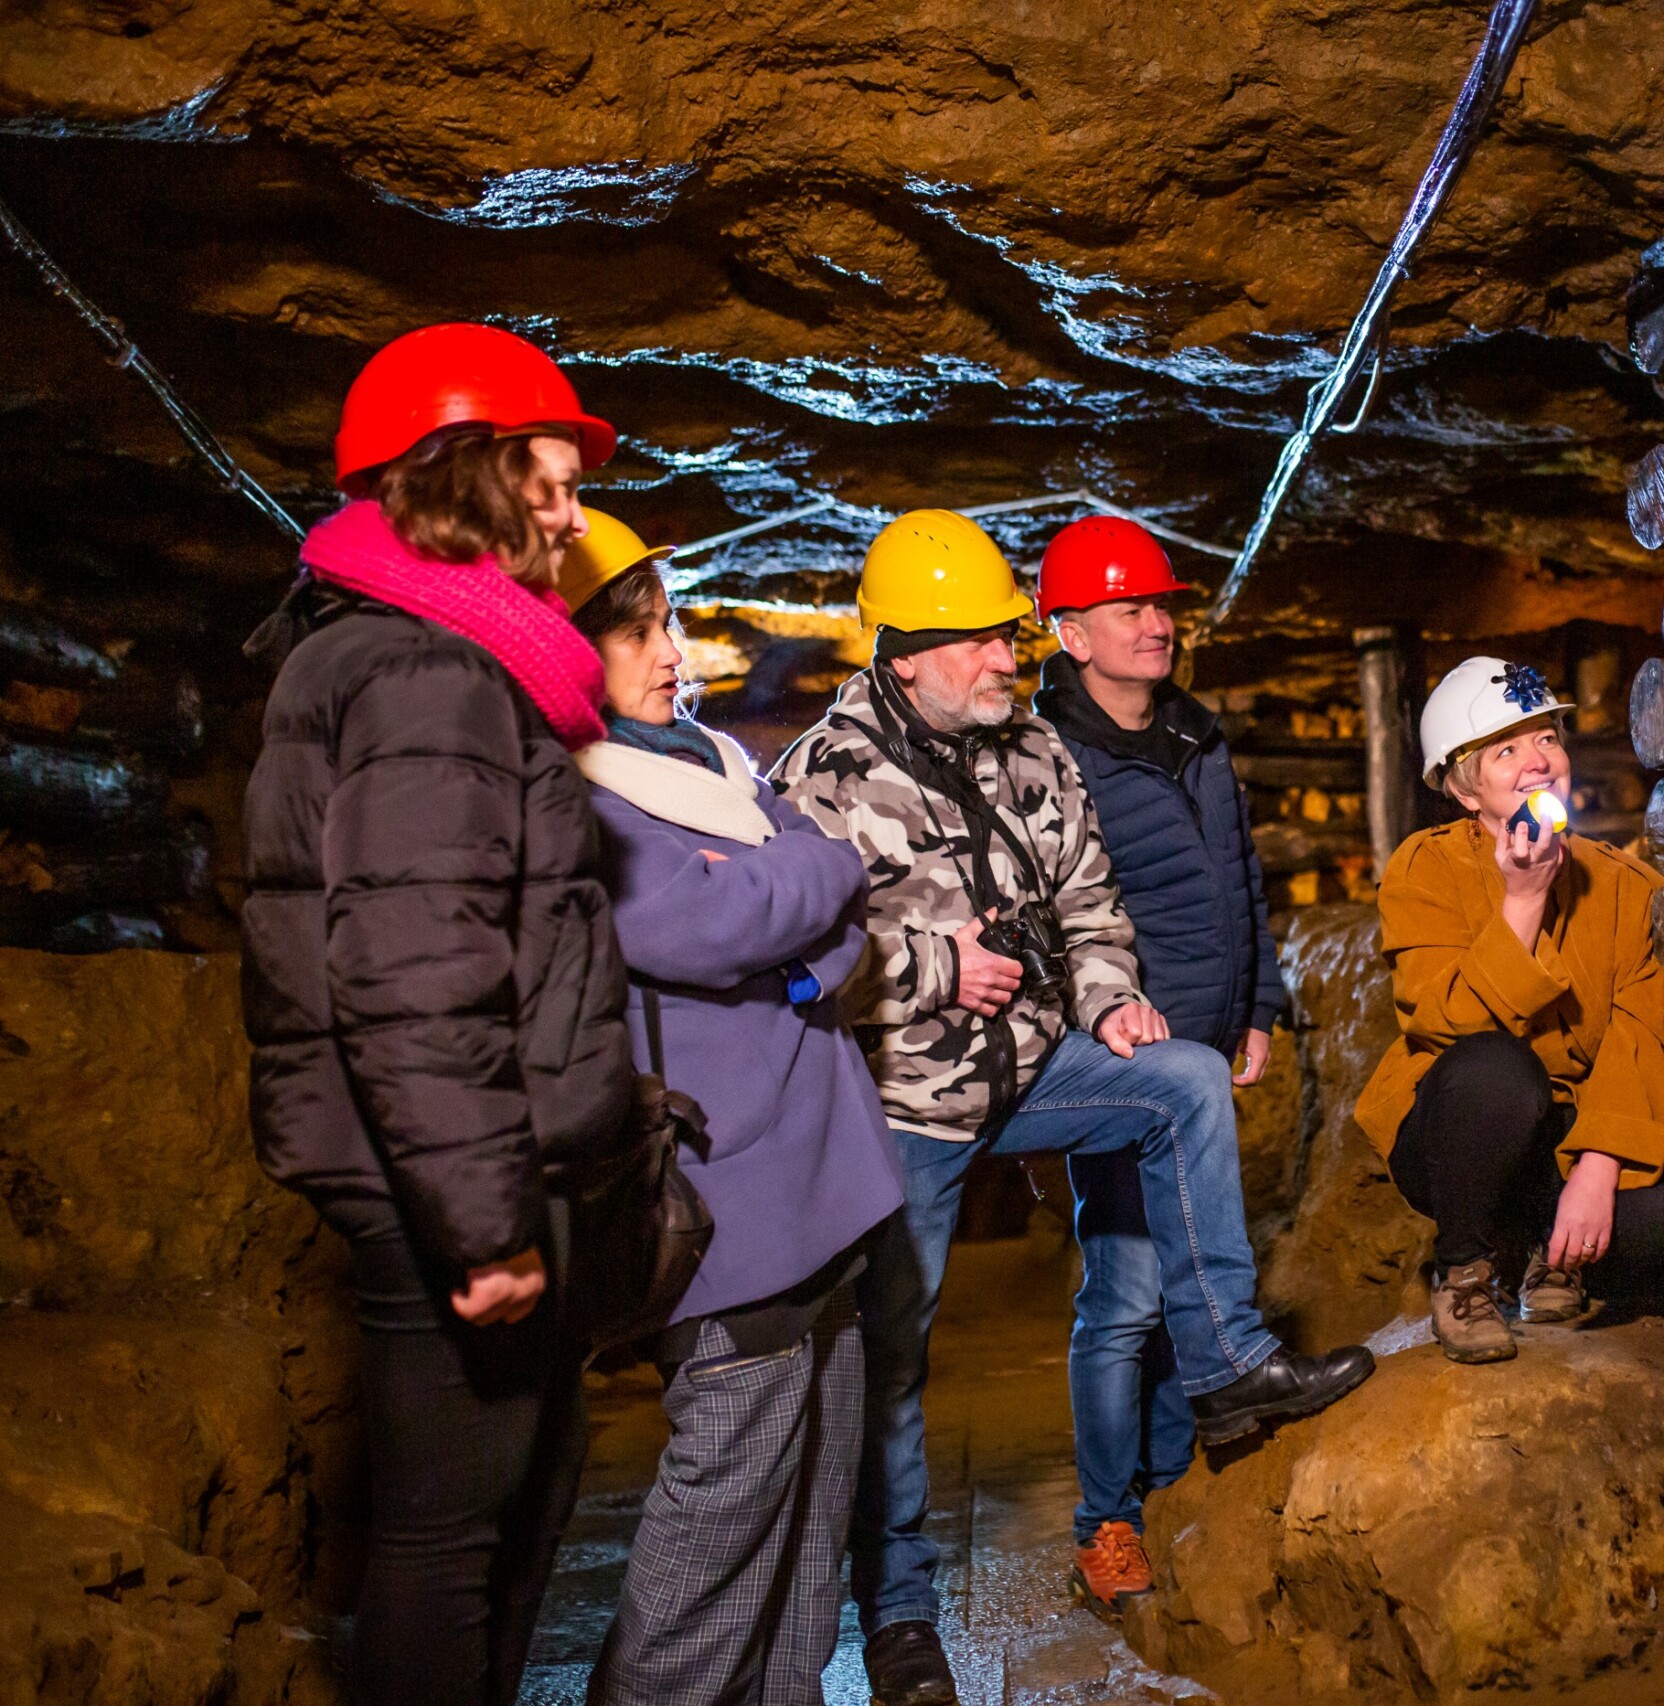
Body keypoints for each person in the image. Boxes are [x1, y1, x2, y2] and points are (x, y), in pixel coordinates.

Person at [771, 508, 1373, 1706]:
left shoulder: (1034, 753)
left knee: (1184, 1080)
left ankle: (1227, 1364)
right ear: (906, 654)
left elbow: (1094, 908)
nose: (1011, 654)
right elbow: (786, 959)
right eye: (987, 639)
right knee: (894, 1356)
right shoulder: (822, 777)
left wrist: (1108, 1005)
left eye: (1011, 633)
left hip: (1040, 1062)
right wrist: (934, 967)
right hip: (905, 1100)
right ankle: (896, 1618)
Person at [239, 322, 632, 1706]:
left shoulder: (410, 655)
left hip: (451, 1156)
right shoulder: (429, 671)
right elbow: (414, 960)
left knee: (501, 1518)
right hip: (448, 1177)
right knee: (449, 1539)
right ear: (469, 472)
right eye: (550, 478)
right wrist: (483, 1219)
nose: (571, 517)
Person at [562, 512, 907, 1704]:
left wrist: (802, 945)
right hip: (731, 1200)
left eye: (667, 624)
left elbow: (828, 889)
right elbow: (699, 923)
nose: (670, 654)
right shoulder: (588, 797)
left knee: (813, 1514)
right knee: (717, 1526)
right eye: (633, 634)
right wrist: (800, 890)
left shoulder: (711, 764)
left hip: (826, 1191)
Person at [1028, 516, 1283, 1614]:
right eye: (1129, 606)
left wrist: (1258, 1006)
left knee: (1194, 1271)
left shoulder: (1195, 734)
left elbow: (1243, 877)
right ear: (1070, 631)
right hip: (1125, 1061)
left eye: (1161, 603)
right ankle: (1106, 1520)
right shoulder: (1049, 757)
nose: (1156, 621)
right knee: (1128, 1292)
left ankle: (1177, 1480)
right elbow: (1056, 917)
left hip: (1209, 1045)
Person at [1354, 656, 1664, 1365]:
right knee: (1497, 1070)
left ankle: (1551, 1251)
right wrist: (1521, 901)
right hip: (1458, 1128)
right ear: (1464, 788)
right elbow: (1446, 1022)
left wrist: (1599, 1164)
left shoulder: (1623, 884)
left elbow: (1637, 1034)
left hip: (1566, 1129)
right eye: (1505, 750)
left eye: (1546, 738)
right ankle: (1465, 1271)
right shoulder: (1426, 870)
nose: (1537, 761)